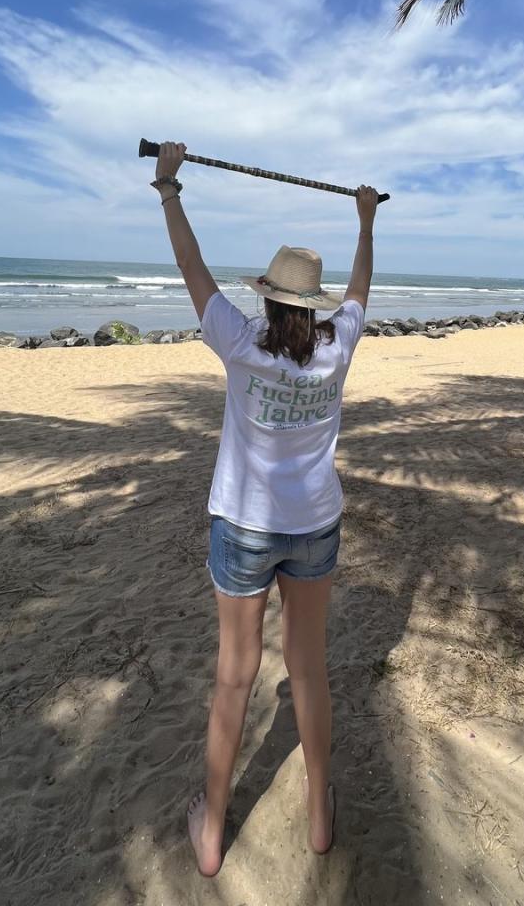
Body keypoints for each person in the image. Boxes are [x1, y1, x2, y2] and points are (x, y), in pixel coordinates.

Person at [151, 142, 379, 876]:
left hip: (244, 526)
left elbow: (192, 268)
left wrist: (168, 187)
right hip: (313, 524)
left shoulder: (240, 342)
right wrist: (366, 222)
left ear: (268, 299)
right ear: (309, 305)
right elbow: (361, 292)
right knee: (307, 671)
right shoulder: (336, 349)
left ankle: (212, 834)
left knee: (234, 677)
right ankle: (318, 820)